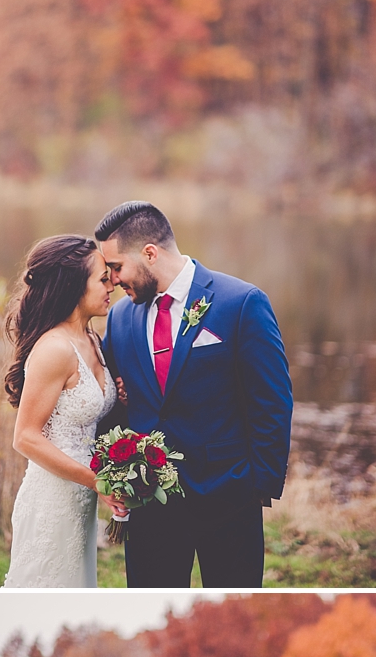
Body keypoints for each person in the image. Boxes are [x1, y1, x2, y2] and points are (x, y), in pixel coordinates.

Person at [97, 200, 292, 588]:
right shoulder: (121, 318)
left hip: (229, 497)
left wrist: (258, 486)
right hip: (150, 503)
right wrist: (114, 475)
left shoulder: (240, 303)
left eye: (117, 267)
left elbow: (272, 400)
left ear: (150, 253)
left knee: (236, 609)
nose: (113, 280)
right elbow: (113, 402)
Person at [3, 235, 123, 587]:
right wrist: (97, 481)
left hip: (80, 497)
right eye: (102, 279)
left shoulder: (93, 341)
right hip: (52, 497)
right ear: (72, 285)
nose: (112, 284)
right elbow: (25, 438)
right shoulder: (54, 349)